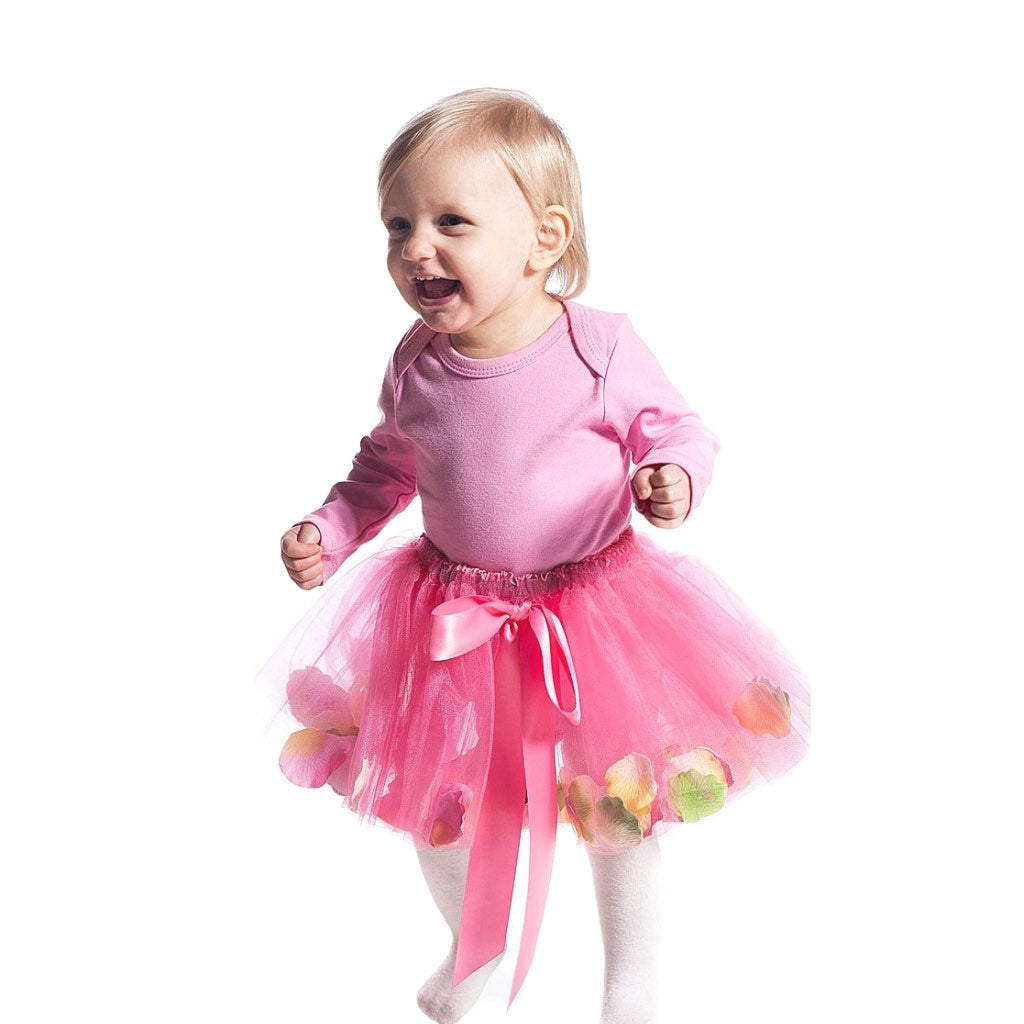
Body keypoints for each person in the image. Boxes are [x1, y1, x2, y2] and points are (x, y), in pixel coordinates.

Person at [265, 88, 810, 1024]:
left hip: (594, 612)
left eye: (450, 223)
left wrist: (672, 472)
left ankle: (630, 982)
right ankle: (475, 949)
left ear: (544, 238)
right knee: (438, 806)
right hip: (453, 619)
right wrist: (335, 525)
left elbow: (677, 427)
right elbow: (386, 463)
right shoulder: (417, 361)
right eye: (397, 225)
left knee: (617, 806)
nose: (414, 248)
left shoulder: (596, 346)